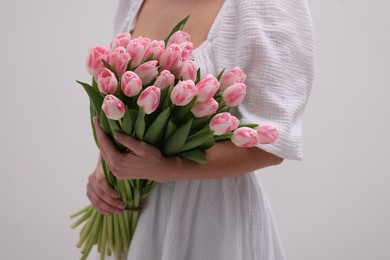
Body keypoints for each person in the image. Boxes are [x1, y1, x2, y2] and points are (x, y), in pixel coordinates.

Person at [87, 0, 314, 259]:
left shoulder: (263, 5)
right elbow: (118, 94)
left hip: (211, 220)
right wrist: (106, 170)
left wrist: (171, 168)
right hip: (140, 217)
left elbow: (272, 144)